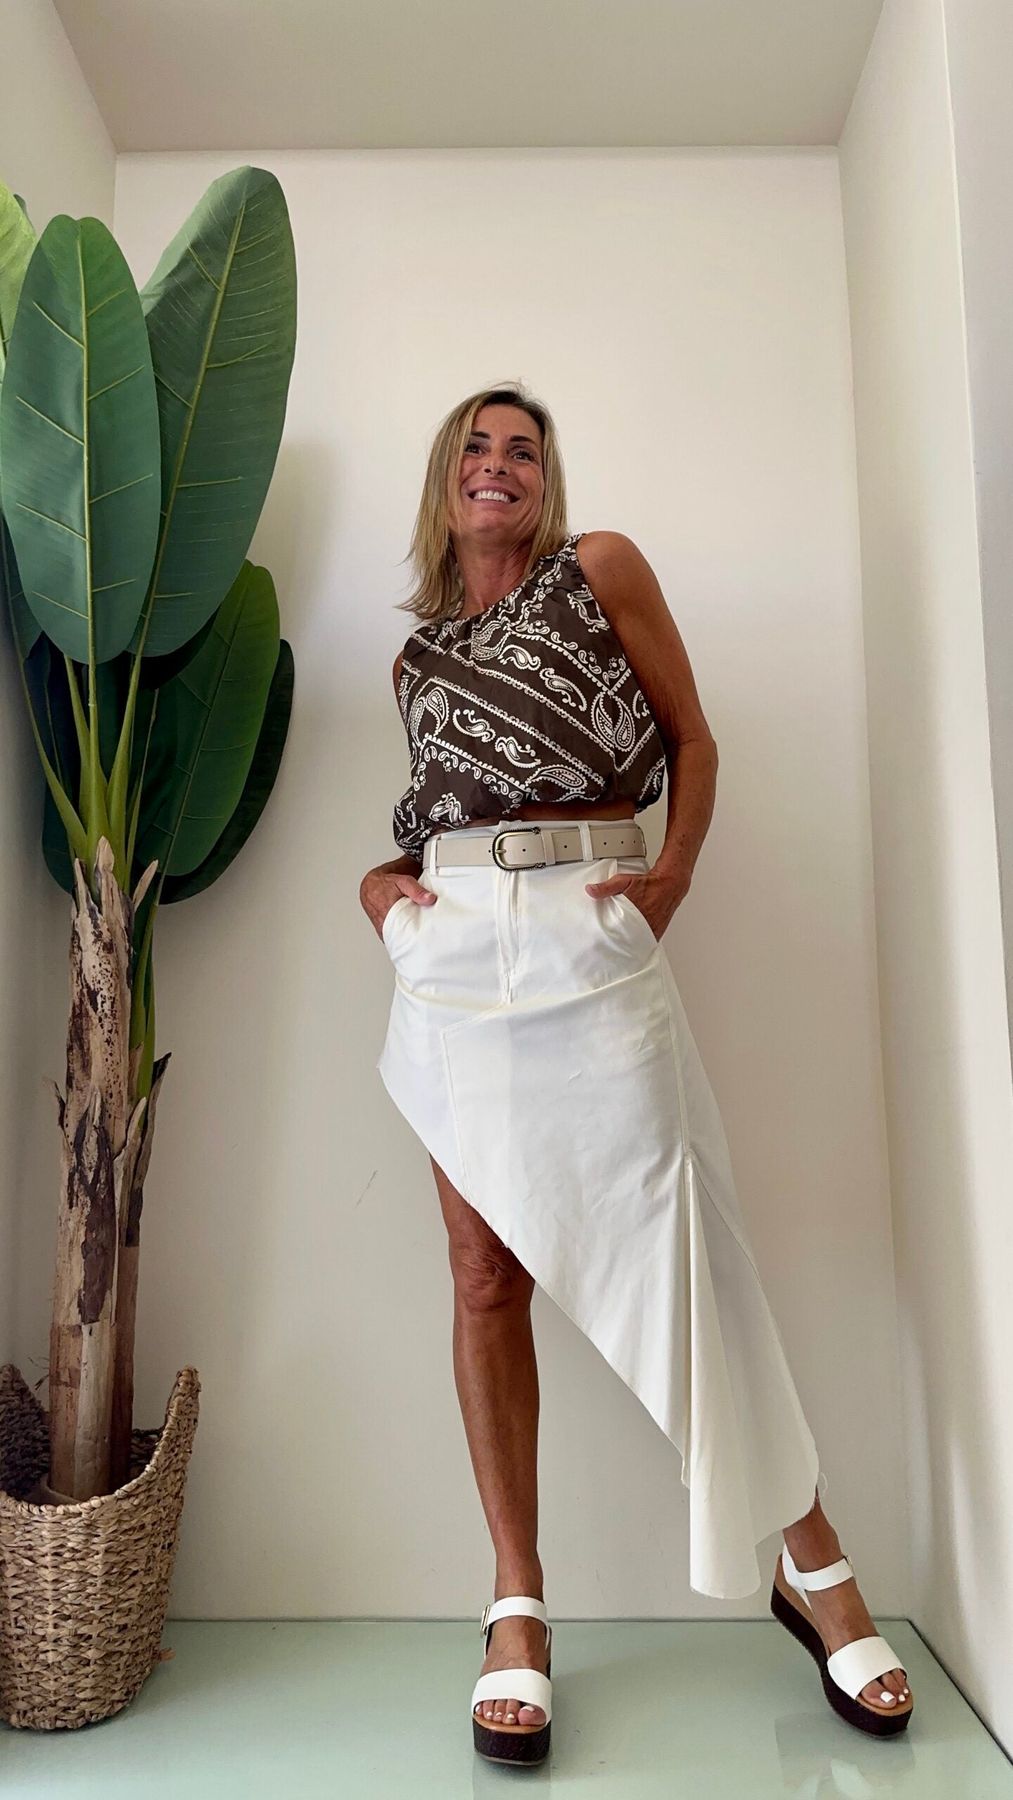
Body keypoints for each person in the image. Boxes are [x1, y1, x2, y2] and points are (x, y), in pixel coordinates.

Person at [361, 382, 913, 1766]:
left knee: (686, 1252)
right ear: (444, 483)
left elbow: (693, 739)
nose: (499, 465)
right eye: (476, 447)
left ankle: (812, 1559)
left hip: (588, 930)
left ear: (544, 482)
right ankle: (516, 1605)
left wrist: (671, 878)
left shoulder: (597, 568)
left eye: (523, 450)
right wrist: (380, 891)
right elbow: (436, 822)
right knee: (482, 1276)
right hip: (452, 961)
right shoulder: (418, 660)